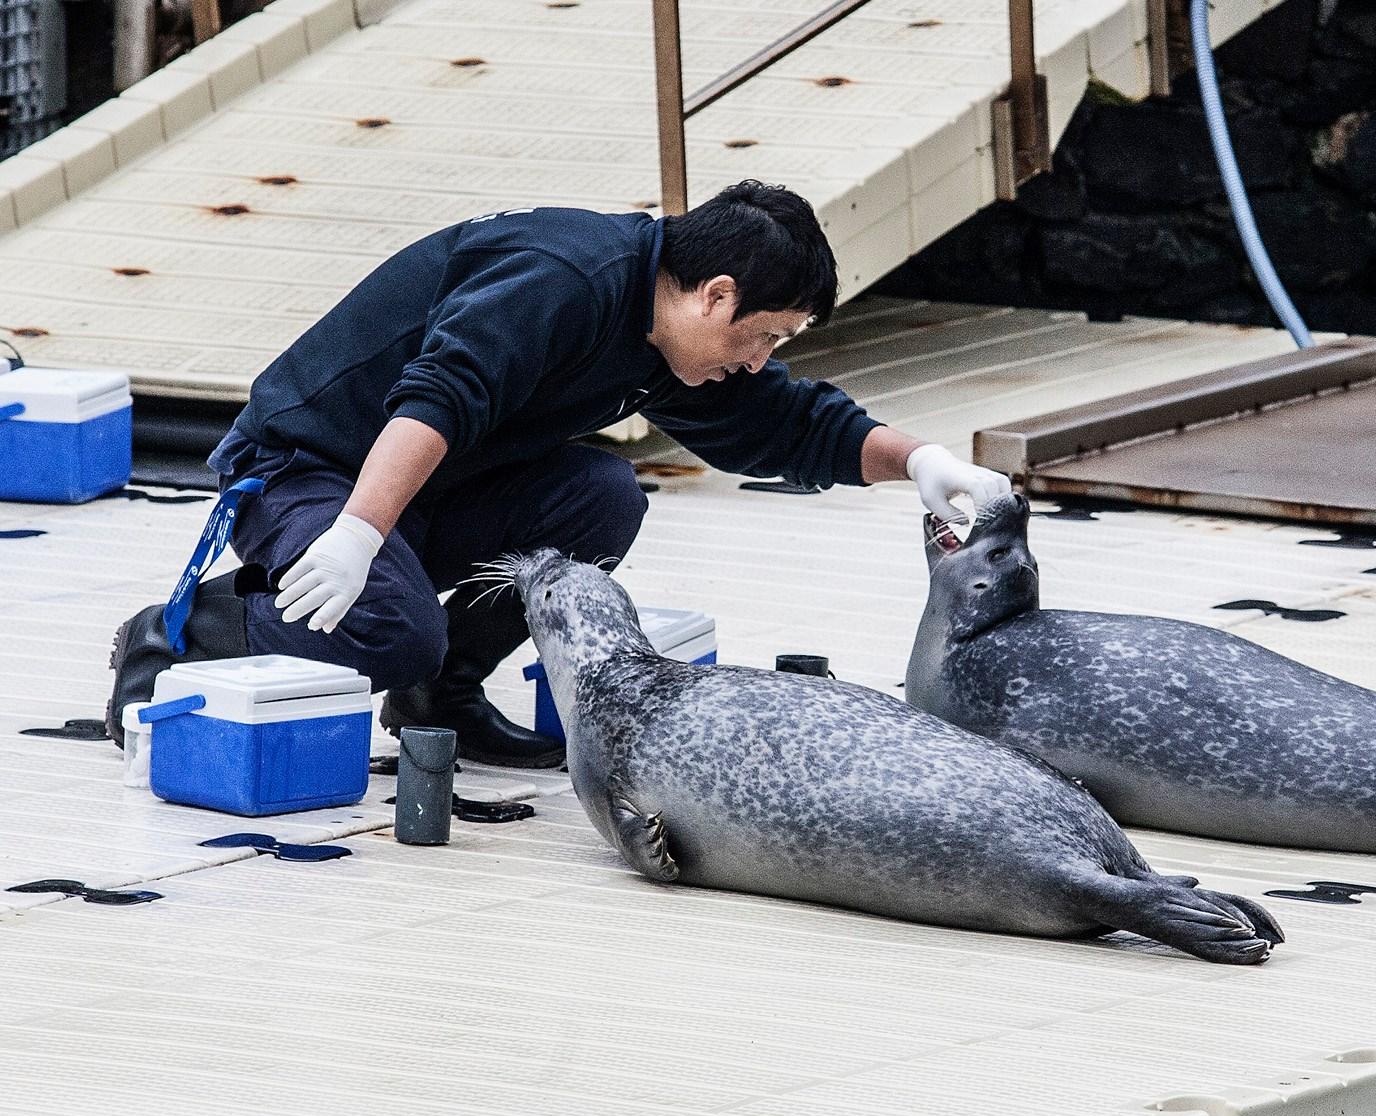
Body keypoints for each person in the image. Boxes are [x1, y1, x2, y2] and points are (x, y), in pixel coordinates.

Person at [105, 180, 1011, 767]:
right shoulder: (564, 276)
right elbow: (437, 396)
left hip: (425, 483)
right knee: (390, 628)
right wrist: (357, 533)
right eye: (764, 334)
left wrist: (919, 461)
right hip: (315, 466)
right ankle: (176, 632)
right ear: (717, 294)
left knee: (602, 497)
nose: (759, 357)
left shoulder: (669, 334)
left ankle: (443, 698)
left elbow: (783, 422)